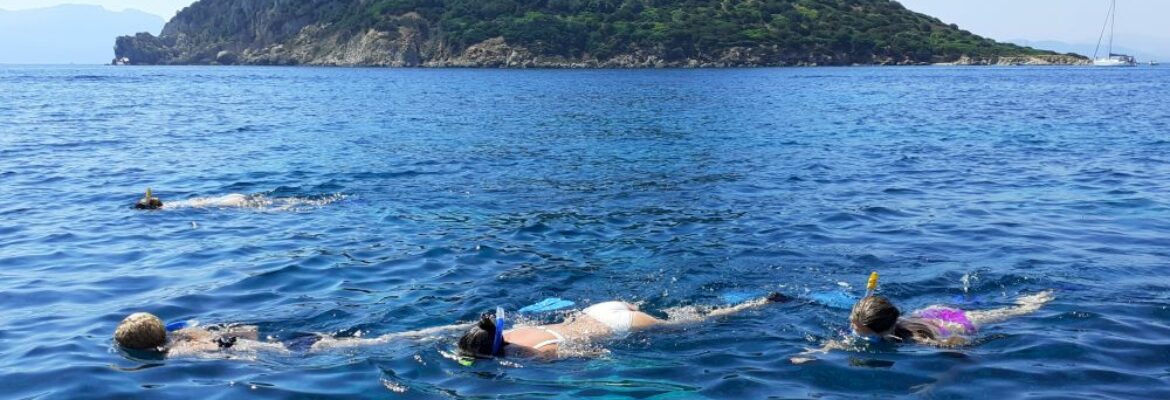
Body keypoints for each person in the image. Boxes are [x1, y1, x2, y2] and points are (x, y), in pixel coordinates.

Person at [310, 293, 791, 361]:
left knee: (698, 323)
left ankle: (754, 306)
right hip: (600, 307)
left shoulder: (533, 357)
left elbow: (589, 358)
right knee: (692, 314)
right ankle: (754, 301)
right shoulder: (512, 332)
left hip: (618, 325)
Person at [849, 290, 1055, 347]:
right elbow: (841, 342)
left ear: (883, 331)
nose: (852, 328)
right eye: (853, 323)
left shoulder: (916, 340)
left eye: (857, 327)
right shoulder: (874, 326)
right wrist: (820, 352)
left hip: (954, 321)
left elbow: (958, 348)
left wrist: (938, 383)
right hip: (929, 313)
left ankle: (1040, 297)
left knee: (1018, 312)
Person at [113, 312, 287, 358]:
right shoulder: (181, 331)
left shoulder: (171, 353)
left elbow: (211, 350)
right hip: (227, 338)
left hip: (229, 347)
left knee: (281, 350)